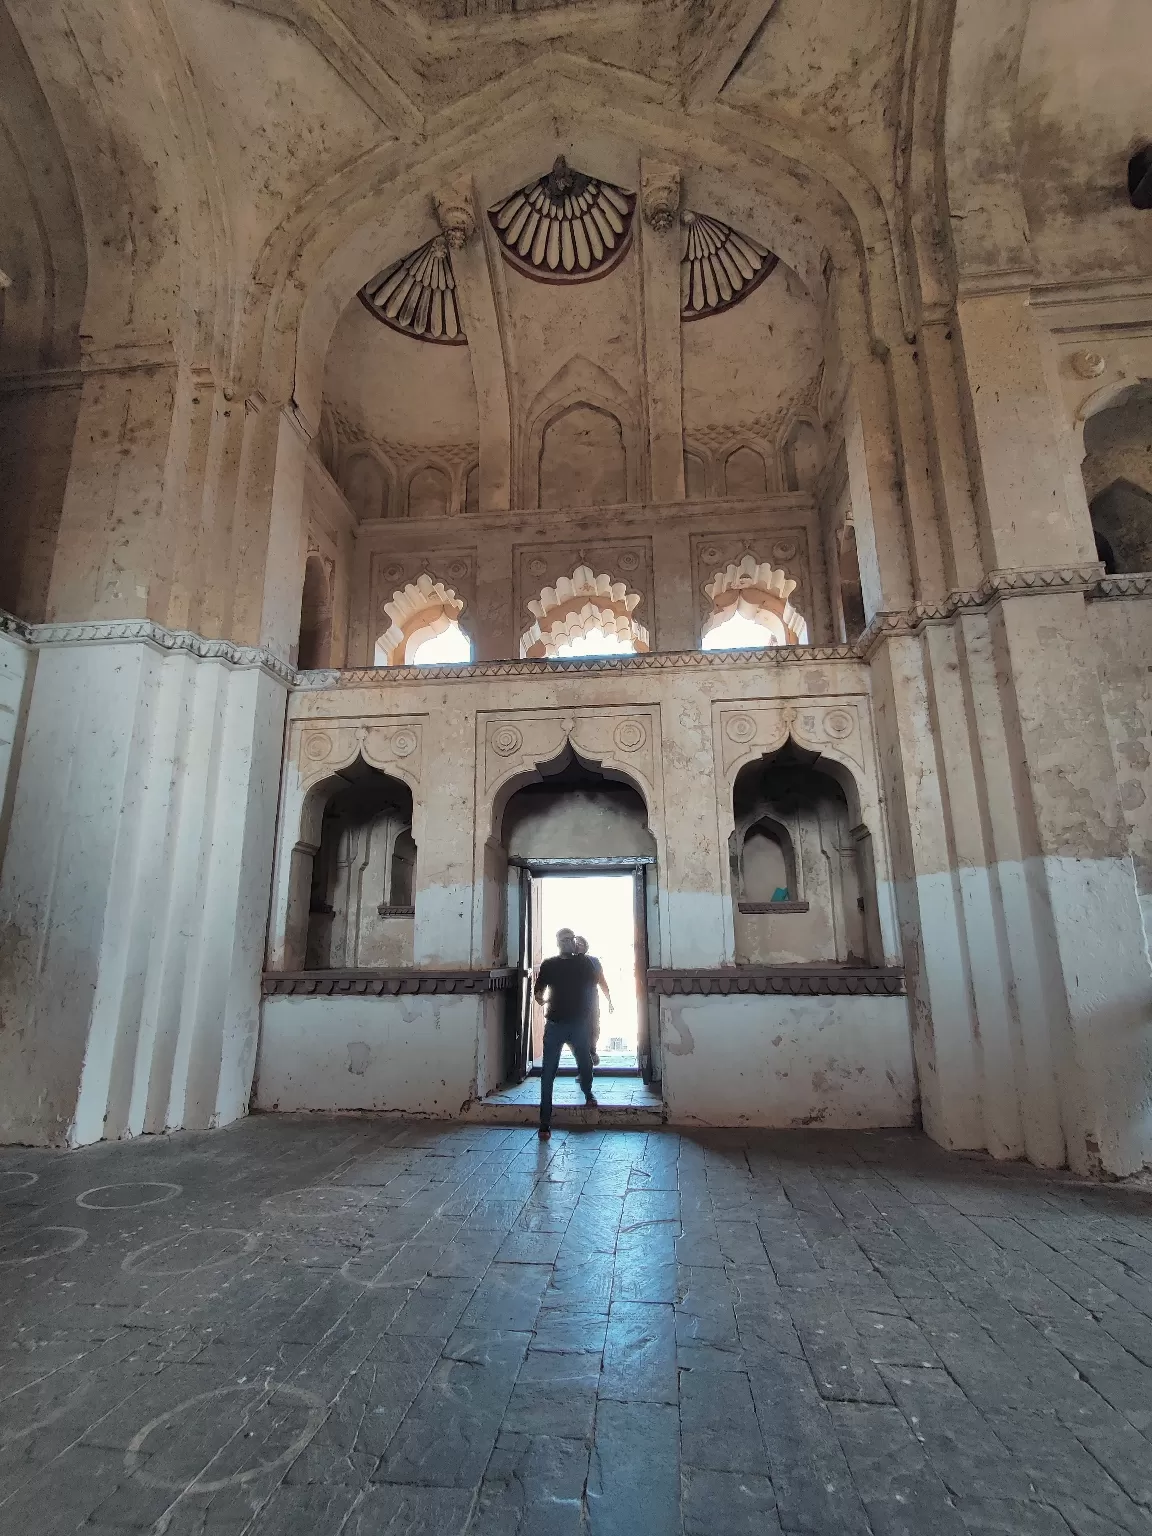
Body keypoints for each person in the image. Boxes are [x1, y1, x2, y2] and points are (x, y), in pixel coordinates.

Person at [533, 927, 613, 1139]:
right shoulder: (549, 964)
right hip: (555, 1024)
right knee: (547, 1073)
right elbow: (538, 988)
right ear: (558, 942)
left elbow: (597, 979)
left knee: (585, 1064)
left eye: (572, 939)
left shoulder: (584, 963)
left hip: (578, 1024)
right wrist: (540, 997)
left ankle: (587, 1092)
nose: (569, 942)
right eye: (564, 939)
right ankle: (544, 1123)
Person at [575, 935, 602, 1064]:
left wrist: (609, 999)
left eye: (581, 943)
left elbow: (601, 979)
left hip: (591, 997)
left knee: (593, 1025)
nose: (579, 945)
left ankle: (592, 1051)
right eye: (577, 943)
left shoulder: (594, 961)